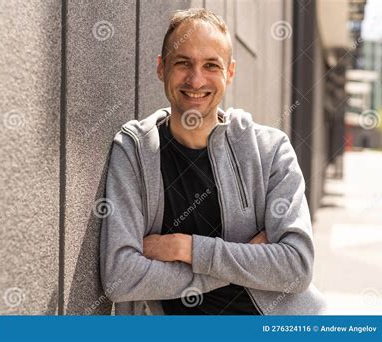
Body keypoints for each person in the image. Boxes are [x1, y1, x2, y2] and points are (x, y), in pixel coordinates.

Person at [100, 8, 327, 315]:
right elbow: (121, 278)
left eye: (211, 65)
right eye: (183, 63)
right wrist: (241, 261)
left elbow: (296, 267)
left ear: (229, 73)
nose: (196, 79)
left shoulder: (270, 150)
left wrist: (186, 249)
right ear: (161, 68)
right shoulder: (135, 151)